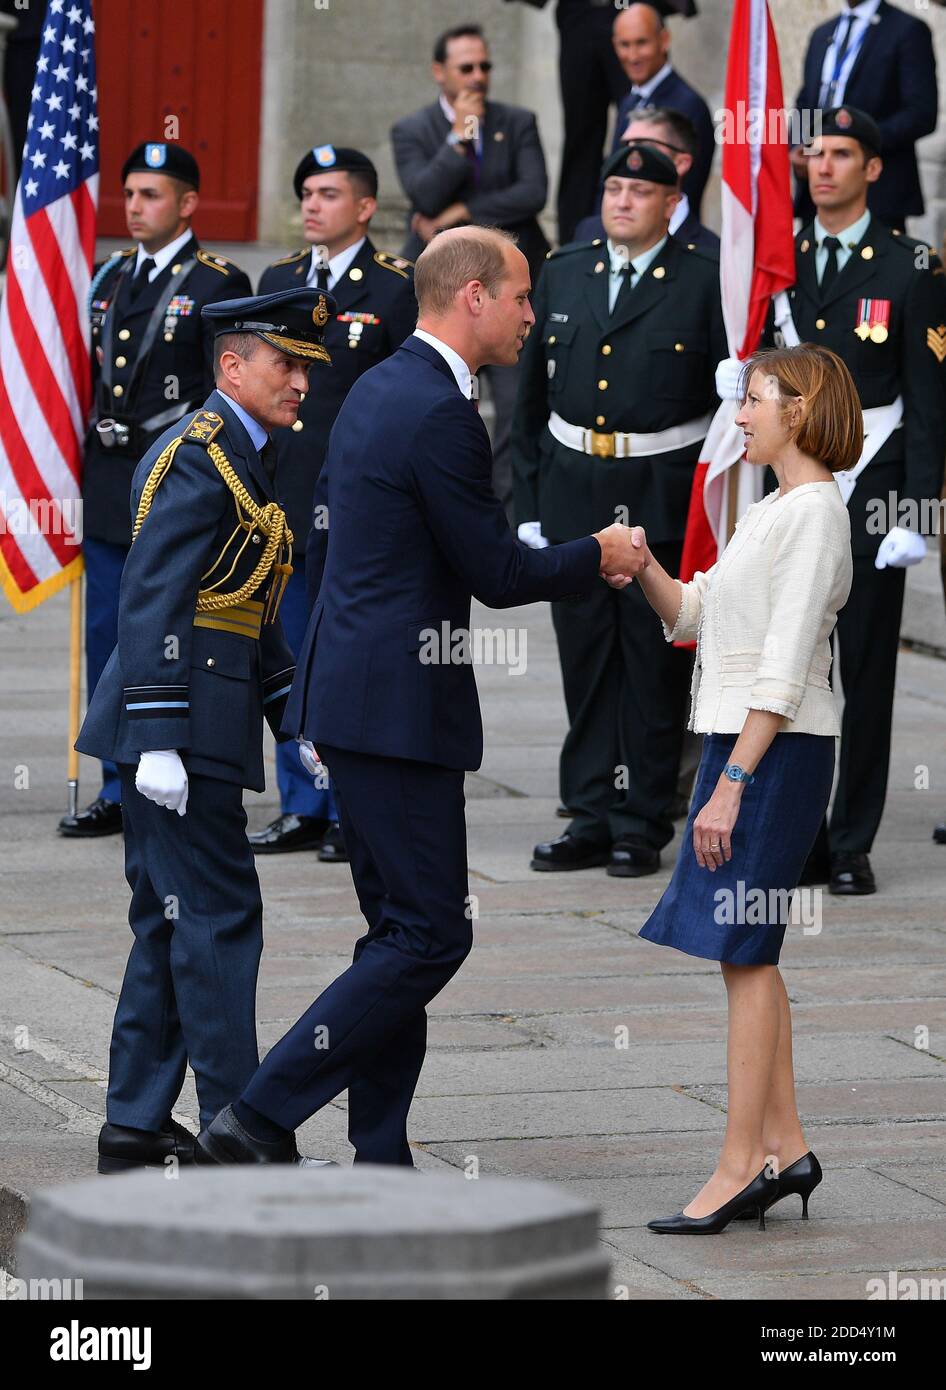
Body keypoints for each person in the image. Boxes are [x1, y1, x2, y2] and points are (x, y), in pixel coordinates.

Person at [193, 227, 647, 1168]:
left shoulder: (381, 386)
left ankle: (380, 1153)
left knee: (397, 935)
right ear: (472, 295)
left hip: (361, 700)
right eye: (522, 296)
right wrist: (595, 555)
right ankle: (258, 1116)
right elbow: (492, 568)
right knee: (432, 935)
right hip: (395, 711)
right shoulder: (436, 407)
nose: (533, 314)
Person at [76, 289, 334, 1174]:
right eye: (285, 363)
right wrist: (153, 736)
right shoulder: (199, 457)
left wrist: (298, 722)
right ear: (234, 367)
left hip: (203, 718)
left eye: (306, 366)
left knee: (172, 922)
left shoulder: (246, 455)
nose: (300, 381)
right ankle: (236, 1127)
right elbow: (150, 595)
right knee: (219, 921)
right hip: (178, 724)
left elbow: (246, 611)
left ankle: (135, 1125)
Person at [633, 345, 856, 1233]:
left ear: (797, 411)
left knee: (748, 950)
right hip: (753, 746)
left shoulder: (814, 514)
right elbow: (696, 615)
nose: (741, 415)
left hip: (775, 750)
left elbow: (786, 663)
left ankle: (738, 1166)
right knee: (747, 950)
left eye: (755, 400)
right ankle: (785, 1146)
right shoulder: (773, 509)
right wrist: (642, 565)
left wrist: (729, 786)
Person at [717, 107, 946, 894]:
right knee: (791, 661)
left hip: (873, 488)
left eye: (841, 154)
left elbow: (928, 398)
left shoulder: (910, 264)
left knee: (868, 673)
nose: (822, 167)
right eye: (812, 153)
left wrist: (919, 516)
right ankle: (800, 832)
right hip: (793, 486)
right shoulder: (781, 257)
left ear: (874, 169)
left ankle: (851, 840)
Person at [513, 143, 726, 877]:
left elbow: (728, 408)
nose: (622, 200)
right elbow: (530, 401)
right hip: (573, 490)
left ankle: (641, 821)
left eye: (639, 189)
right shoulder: (566, 268)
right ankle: (590, 813)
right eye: (613, 187)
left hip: (661, 497)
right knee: (584, 660)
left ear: (673, 201)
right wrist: (530, 500)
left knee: (651, 666)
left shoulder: (705, 278)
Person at [59, 142, 251, 840]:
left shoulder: (218, 283)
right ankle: (117, 780)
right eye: (131, 194)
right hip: (111, 479)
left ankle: (178, 760)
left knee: (171, 630)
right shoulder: (110, 276)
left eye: (152, 195)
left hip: (179, 484)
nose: (136, 207)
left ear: (189, 204)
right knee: (109, 630)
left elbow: (226, 392)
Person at [250, 145, 418, 861]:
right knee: (284, 650)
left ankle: (356, 803)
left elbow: (412, 398)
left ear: (366, 207)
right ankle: (302, 802)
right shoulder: (279, 278)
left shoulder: (394, 288)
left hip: (358, 505)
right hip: (282, 497)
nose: (311, 205)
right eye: (305, 193)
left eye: (327, 193)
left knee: (351, 655)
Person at [390, 22, 549, 517]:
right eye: (466, 68)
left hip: (510, 286)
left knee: (514, 401)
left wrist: (462, 215)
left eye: (485, 66)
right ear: (440, 72)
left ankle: (502, 508)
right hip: (442, 288)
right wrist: (459, 139)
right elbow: (423, 195)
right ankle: (437, 494)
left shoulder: (518, 120)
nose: (478, 77)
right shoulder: (413, 130)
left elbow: (532, 193)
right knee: (441, 391)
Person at [791, 0, 938, 233]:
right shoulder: (822, 34)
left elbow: (921, 114)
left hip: (877, 197)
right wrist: (798, 146)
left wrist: (858, 143)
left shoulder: (907, 30)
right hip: (818, 201)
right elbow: (805, 102)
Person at [610, 3, 714, 219]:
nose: (633, 55)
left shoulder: (689, 106)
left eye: (641, 43)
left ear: (664, 40)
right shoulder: (630, 101)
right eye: (624, 45)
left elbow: (686, 193)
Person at [574, 106, 719, 252]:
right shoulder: (589, 231)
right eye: (625, 146)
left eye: (644, 146)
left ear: (680, 163)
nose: (631, 154)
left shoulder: (713, 252)